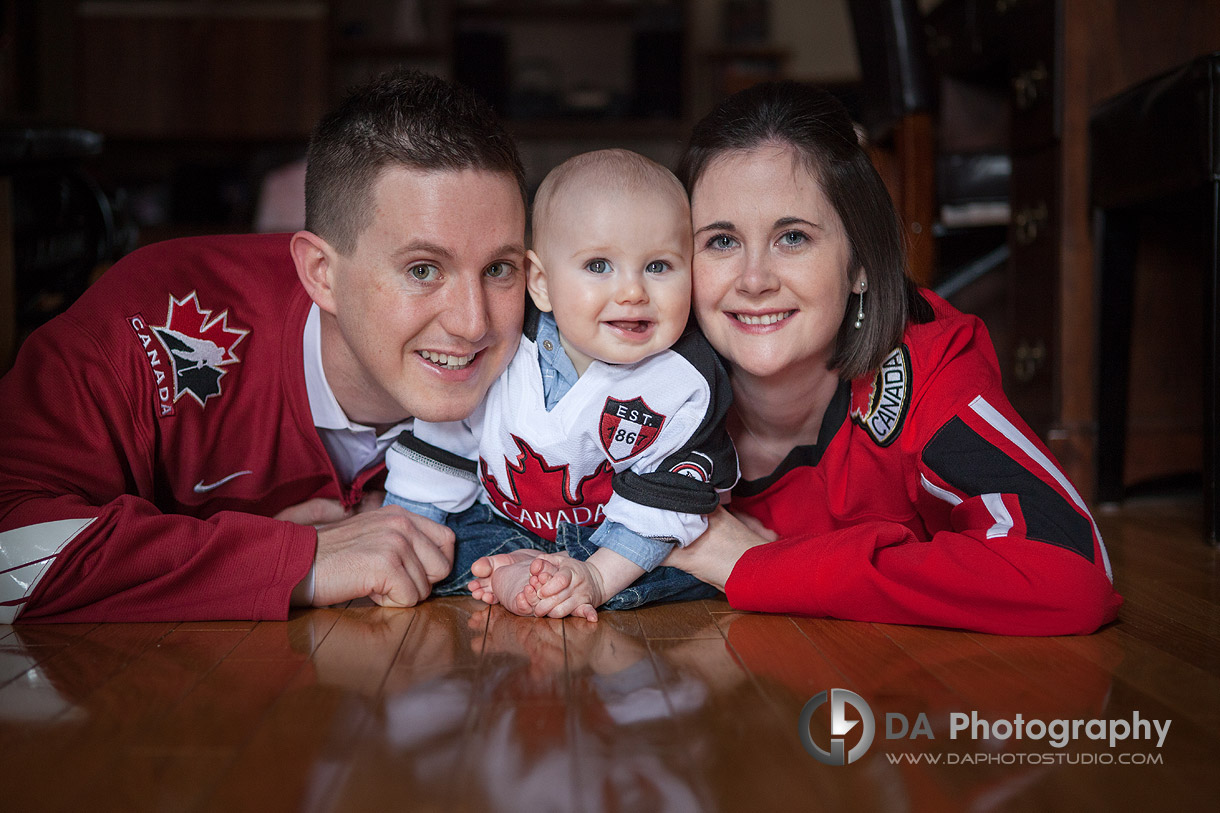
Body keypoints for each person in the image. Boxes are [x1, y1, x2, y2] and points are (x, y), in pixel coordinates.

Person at [0, 69, 529, 622]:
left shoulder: (572, 354)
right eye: (423, 269)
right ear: (321, 273)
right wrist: (295, 561)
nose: (474, 324)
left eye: (499, 268)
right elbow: (9, 543)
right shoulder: (152, 309)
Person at [663, 81, 1122, 636]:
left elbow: (1070, 573)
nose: (755, 279)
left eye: (793, 237)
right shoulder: (636, 379)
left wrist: (762, 566)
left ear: (859, 262)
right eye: (720, 242)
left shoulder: (928, 367)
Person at [382, 149, 736, 621]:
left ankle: (550, 581)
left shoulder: (682, 379)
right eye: (598, 266)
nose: (633, 292)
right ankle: (514, 570)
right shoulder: (502, 341)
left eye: (658, 267)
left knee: (687, 559)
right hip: (500, 518)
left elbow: (666, 497)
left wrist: (597, 578)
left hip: (613, 538)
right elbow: (446, 437)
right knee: (443, 547)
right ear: (542, 283)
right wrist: (406, 531)